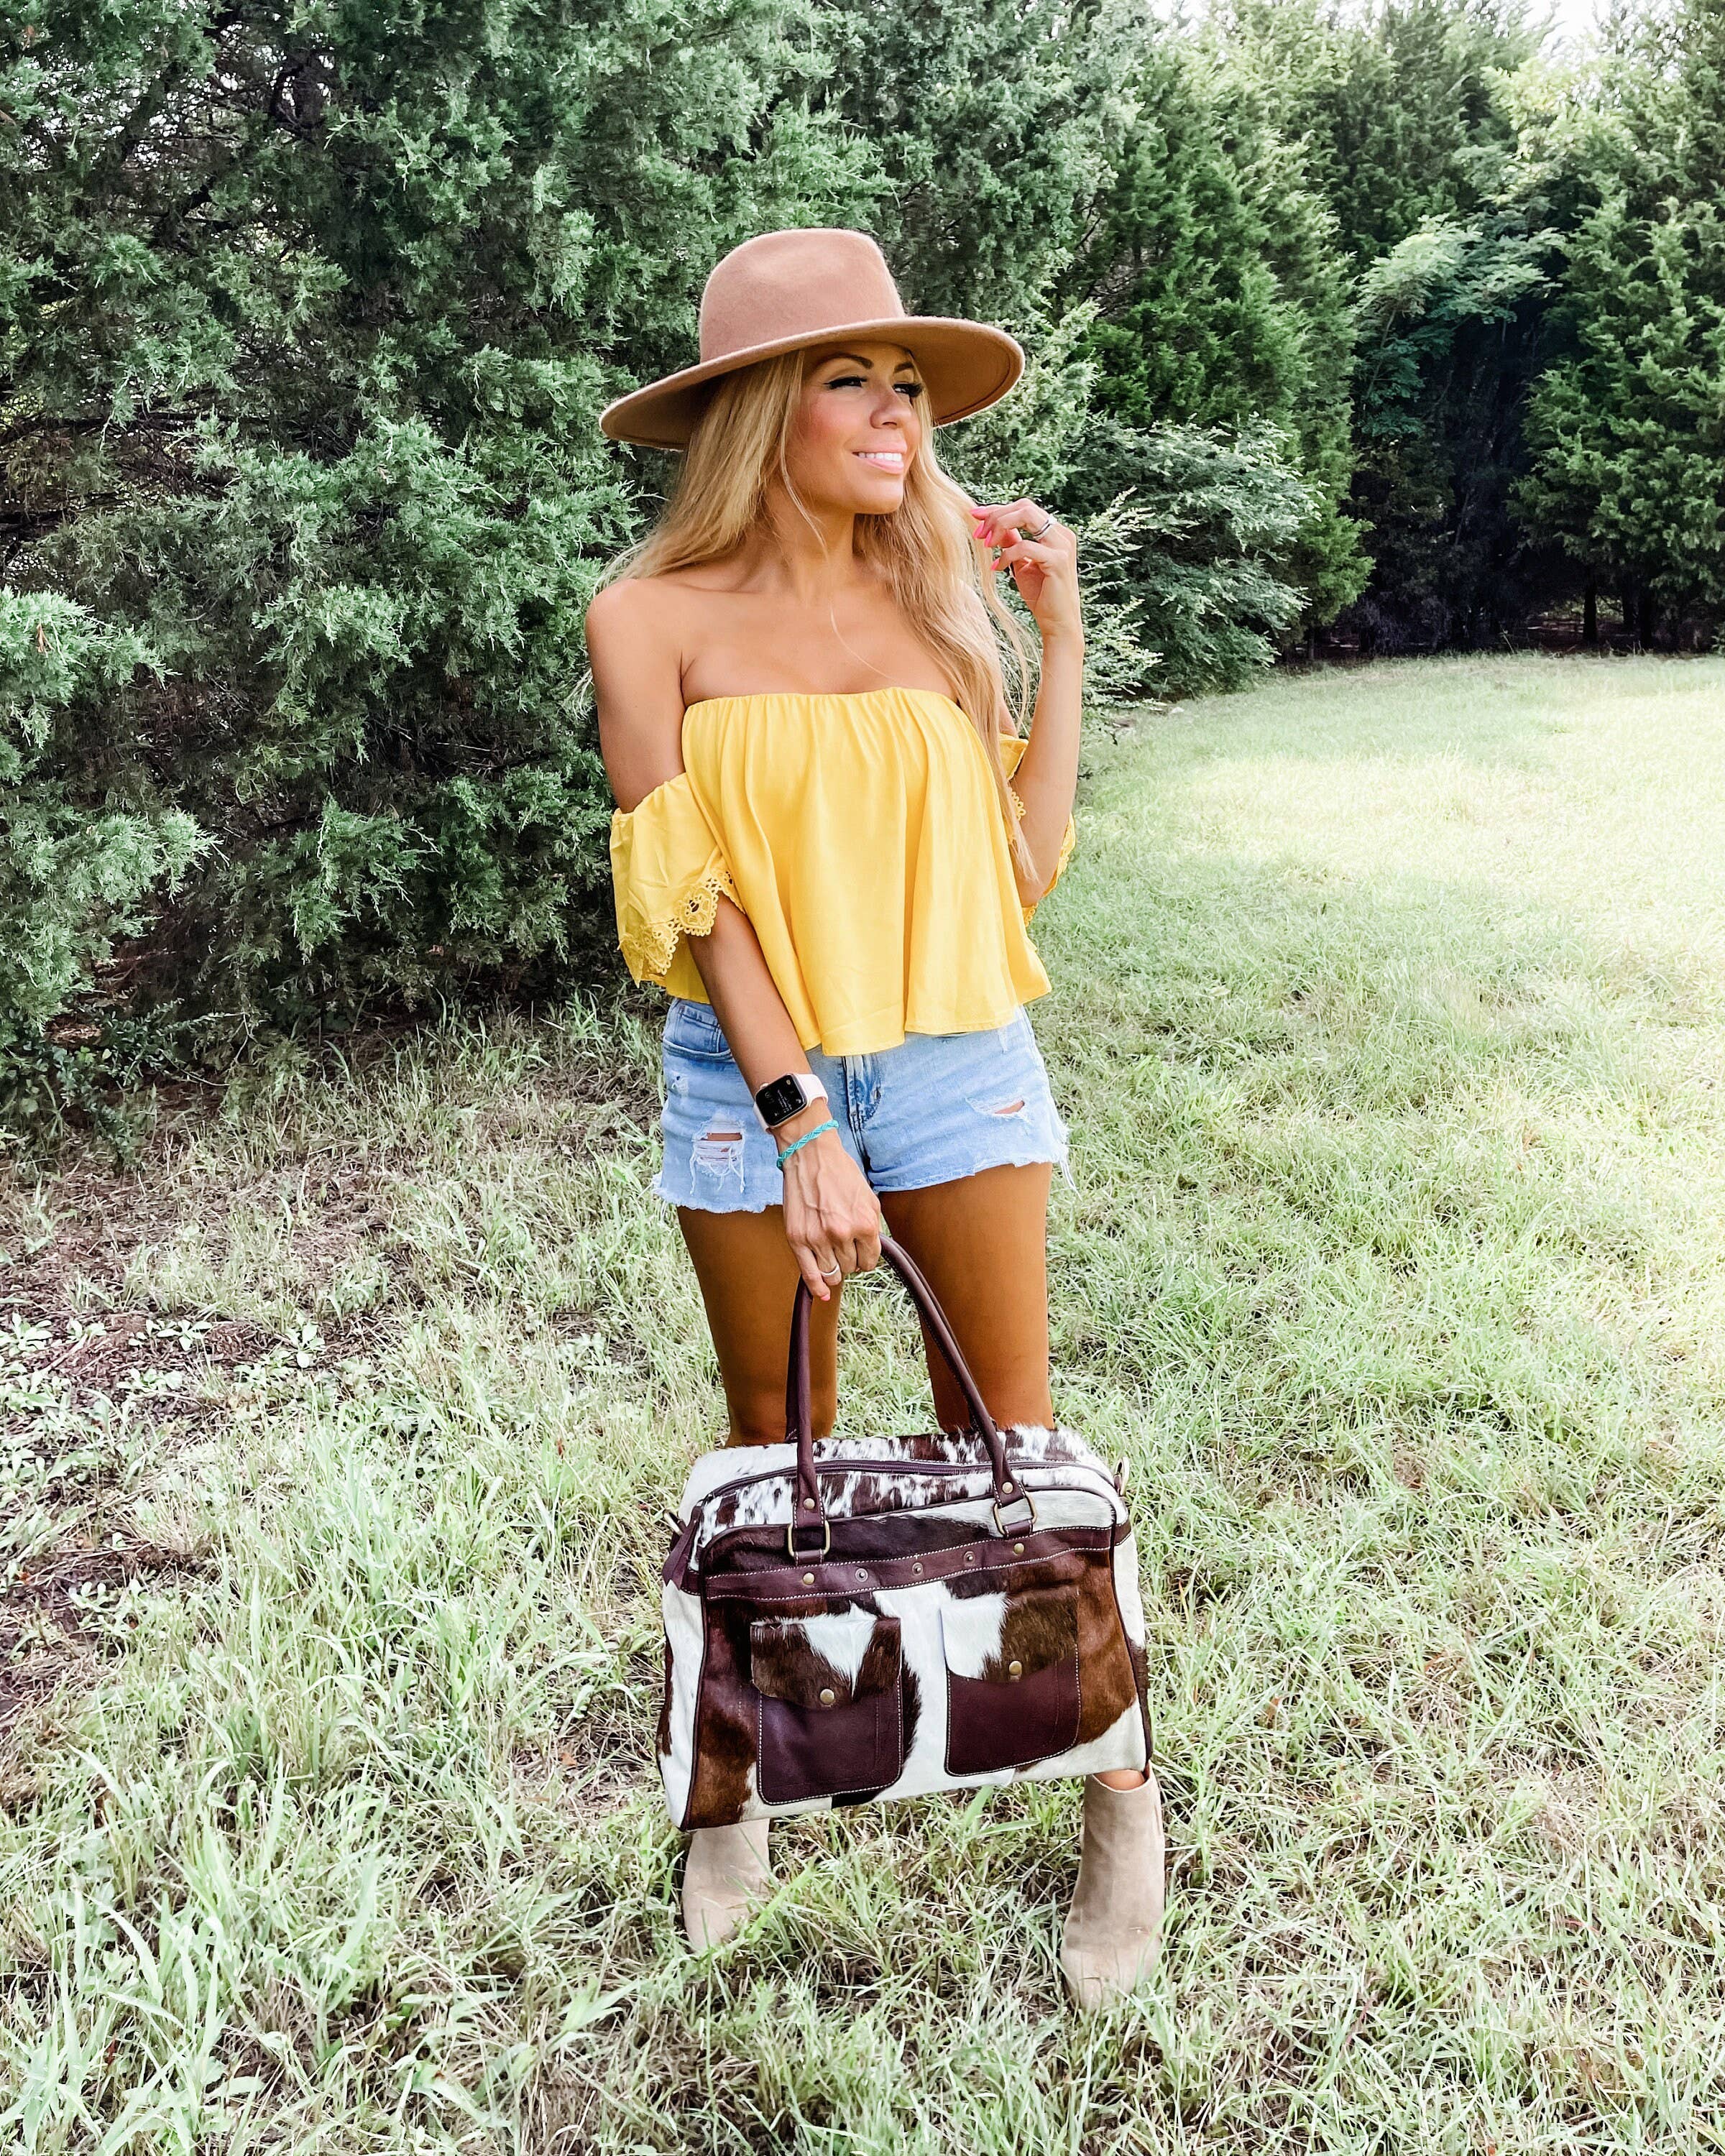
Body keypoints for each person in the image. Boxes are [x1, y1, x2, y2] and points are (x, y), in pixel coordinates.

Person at [585, 228, 1164, 2006]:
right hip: (753, 1077)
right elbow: (696, 900)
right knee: (785, 1455)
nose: (899, 413)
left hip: (962, 1059)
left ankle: (1118, 1802)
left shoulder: (940, 614)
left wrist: (1054, 637)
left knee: (1017, 1451)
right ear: (766, 410)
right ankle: (739, 1784)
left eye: (910, 384)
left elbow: (1023, 867)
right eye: (858, 378)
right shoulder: (649, 619)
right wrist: (797, 1116)